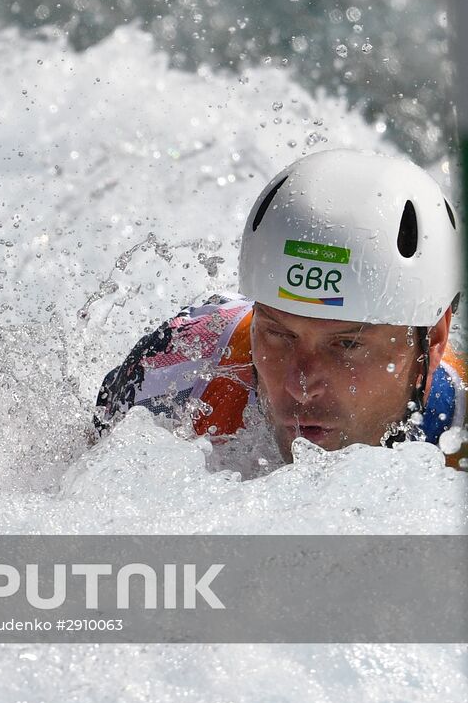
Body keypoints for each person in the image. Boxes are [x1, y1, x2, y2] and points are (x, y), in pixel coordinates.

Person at [95, 149, 466, 470]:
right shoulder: (173, 376)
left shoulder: (459, 426)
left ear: (432, 339)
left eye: (347, 345)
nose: (301, 386)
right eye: (279, 335)